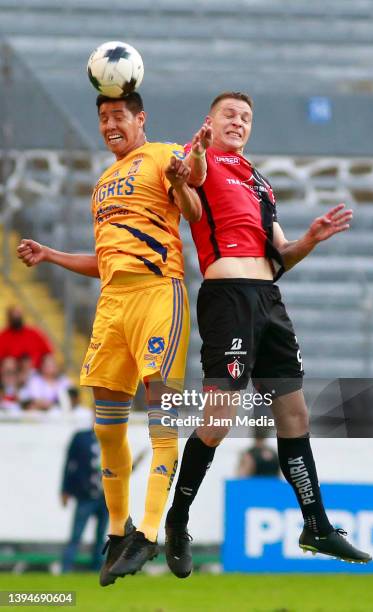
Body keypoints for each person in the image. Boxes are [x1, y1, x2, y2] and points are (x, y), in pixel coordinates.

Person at [164, 91, 371, 578]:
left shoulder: (258, 180)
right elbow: (191, 197)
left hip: (267, 300)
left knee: (295, 412)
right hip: (229, 297)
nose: (238, 122)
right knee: (220, 419)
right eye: (229, 115)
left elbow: (280, 257)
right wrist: (192, 157)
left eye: (246, 117)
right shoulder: (201, 160)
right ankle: (177, 521)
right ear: (209, 123)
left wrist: (311, 240)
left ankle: (315, 524)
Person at [17, 92, 202, 586]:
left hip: (159, 293)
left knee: (162, 421)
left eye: (119, 115)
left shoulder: (164, 155)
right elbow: (104, 261)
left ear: (140, 118)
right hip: (113, 303)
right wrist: (51, 255)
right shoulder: (102, 185)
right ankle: (119, 532)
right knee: (106, 426)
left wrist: (185, 181)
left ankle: (149, 530)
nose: (110, 124)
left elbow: (196, 206)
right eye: (103, 118)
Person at [61, 426, 108, 572]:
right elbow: (69, 464)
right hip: (85, 495)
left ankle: (97, 569)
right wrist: (65, 490)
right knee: (76, 535)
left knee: (101, 537)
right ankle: (66, 568)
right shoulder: (81, 438)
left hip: (105, 497)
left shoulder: (114, 438)